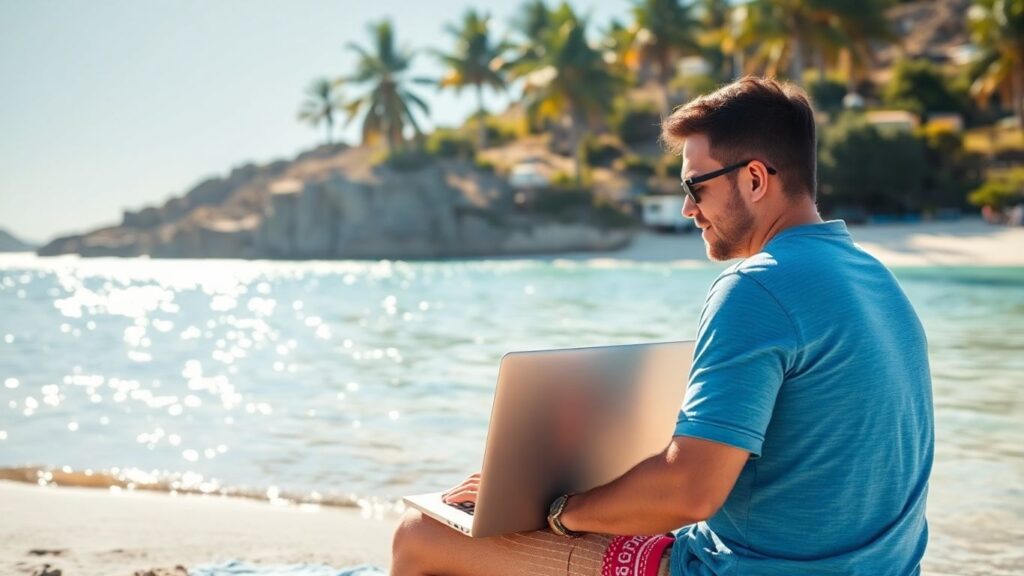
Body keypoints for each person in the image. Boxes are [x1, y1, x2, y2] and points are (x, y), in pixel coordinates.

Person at [391, 77, 934, 576]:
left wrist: (558, 510)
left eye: (696, 187)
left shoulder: (757, 288)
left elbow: (692, 490)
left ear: (753, 179)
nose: (686, 209)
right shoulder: (877, 283)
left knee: (420, 536)